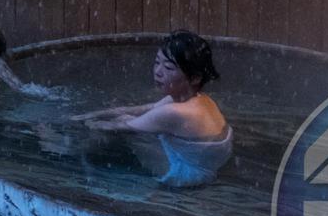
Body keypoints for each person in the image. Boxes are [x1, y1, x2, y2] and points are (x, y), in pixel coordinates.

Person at [72, 30, 231, 187]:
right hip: (204, 164)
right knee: (131, 121)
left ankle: (87, 174)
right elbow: (131, 110)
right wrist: (85, 116)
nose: (158, 72)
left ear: (195, 77)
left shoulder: (174, 112)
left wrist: (80, 125)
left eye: (168, 68)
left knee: (114, 133)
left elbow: (116, 126)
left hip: (185, 175)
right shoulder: (200, 99)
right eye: (156, 63)